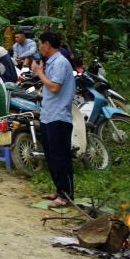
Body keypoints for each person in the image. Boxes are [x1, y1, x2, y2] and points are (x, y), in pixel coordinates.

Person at [32, 32, 76, 207]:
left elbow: (55, 87)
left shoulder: (59, 62)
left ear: (47, 45)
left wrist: (39, 73)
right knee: (51, 156)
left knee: (60, 157)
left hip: (59, 116)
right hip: (49, 114)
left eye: (40, 43)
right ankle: (59, 190)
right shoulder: (51, 62)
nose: (39, 47)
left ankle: (66, 195)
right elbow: (50, 89)